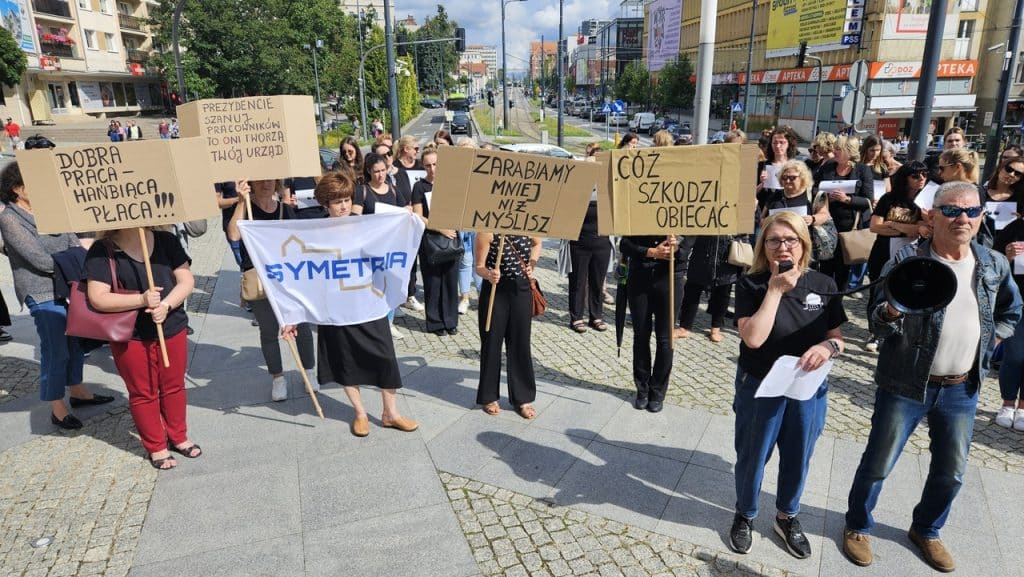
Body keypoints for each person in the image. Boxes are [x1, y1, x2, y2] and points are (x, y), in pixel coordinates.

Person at [843, 181, 1021, 572]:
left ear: (981, 217)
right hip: (905, 384)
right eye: (953, 210)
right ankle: (857, 525)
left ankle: (927, 529)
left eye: (972, 211)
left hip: (962, 388)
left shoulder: (993, 263)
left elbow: (1012, 309)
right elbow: (877, 323)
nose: (963, 218)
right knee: (878, 463)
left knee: (951, 472)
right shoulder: (907, 260)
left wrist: (992, 340)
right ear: (933, 214)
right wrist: (891, 311)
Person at [729, 211, 847, 558]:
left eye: (790, 239)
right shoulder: (751, 284)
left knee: (798, 455)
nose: (783, 247)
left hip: (807, 388)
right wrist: (775, 290)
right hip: (760, 384)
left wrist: (827, 348)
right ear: (763, 246)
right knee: (752, 455)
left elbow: (838, 338)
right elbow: (753, 338)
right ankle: (745, 514)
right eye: (774, 240)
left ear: (803, 244)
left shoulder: (824, 284)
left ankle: (787, 516)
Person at [283, 171, 418, 437]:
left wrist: (407, 222)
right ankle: (359, 413)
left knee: (385, 359)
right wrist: (291, 315)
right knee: (345, 362)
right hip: (335, 309)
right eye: (337, 202)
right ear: (326, 204)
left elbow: (390, 247)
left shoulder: (366, 226)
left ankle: (391, 413)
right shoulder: (316, 234)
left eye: (346, 200)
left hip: (369, 304)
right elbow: (303, 277)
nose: (344, 206)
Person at [0, 163, 114, 429]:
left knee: (75, 343)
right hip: (40, 290)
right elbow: (38, 259)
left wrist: (80, 262)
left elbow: (73, 241)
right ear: (17, 189)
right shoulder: (9, 218)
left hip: (68, 284)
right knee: (56, 349)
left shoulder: (49, 209)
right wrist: (73, 262)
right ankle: (57, 407)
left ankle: (78, 391)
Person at [84, 226, 200, 470]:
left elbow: (186, 280)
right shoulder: (102, 250)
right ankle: (156, 446)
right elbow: (98, 297)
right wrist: (141, 299)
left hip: (172, 326)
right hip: (131, 335)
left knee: (174, 386)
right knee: (143, 392)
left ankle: (178, 436)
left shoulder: (166, 240)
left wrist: (166, 305)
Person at [227, 179, 317, 401]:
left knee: (302, 326)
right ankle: (278, 378)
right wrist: (241, 202)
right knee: (268, 331)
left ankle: (309, 372)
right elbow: (233, 235)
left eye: (270, 179)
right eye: (260, 180)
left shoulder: (286, 210)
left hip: (287, 280)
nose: (266, 184)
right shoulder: (246, 210)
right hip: (259, 279)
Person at [475, 232, 542, 419]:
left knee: (520, 344)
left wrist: (532, 264)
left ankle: (523, 398)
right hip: (496, 291)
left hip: (521, 290)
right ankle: (489, 396)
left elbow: (537, 244)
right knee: (491, 343)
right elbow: (479, 266)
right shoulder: (487, 231)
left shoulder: (528, 226)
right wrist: (489, 274)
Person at [619, 232, 686, 413]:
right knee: (641, 335)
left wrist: (677, 247)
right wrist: (650, 251)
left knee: (665, 339)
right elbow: (624, 244)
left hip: (670, 277)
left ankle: (657, 391)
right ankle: (642, 389)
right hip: (640, 275)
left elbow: (689, 245)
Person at [814, 135, 874, 290]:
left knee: (842, 269)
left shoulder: (863, 170)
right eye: (835, 148)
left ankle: (838, 298)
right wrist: (826, 197)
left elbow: (868, 201)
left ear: (850, 151)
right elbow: (814, 188)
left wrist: (847, 199)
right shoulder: (828, 166)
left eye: (838, 149)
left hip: (848, 227)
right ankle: (825, 296)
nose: (834, 151)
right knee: (825, 266)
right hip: (826, 225)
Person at [411, 149, 459, 335]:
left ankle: (450, 321)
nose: (432, 169)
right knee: (433, 281)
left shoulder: (451, 183)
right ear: (423, 167)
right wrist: (440, 228)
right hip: (430, 240)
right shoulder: (419, 187)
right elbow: (418, 215)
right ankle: (436, 323)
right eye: (428, 165)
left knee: (450, 281)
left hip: (451, 237)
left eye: (435, 164)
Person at [566, 165, 612, 334]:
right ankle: (576, 317)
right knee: (578, 282)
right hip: (579, 244)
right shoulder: (574, 190)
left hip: (602, 244)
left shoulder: (608, 190)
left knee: (597, 283)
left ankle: (596, 316)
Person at [678, 233, 743, 342]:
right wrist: (682, 250)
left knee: (722, 294)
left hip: (726, 259)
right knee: (691, 292)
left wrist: (742, 242)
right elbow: (689, 233)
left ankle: (716, 328)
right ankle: (684, 327)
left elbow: (743, 233)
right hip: (701, 256)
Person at [993, 209, 1024, 430]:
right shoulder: (1013, 228)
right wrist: (1007, 256)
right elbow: (992, 263)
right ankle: (1008, 403)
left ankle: (1022, 407)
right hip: (1017, 301)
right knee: (1015, 356)